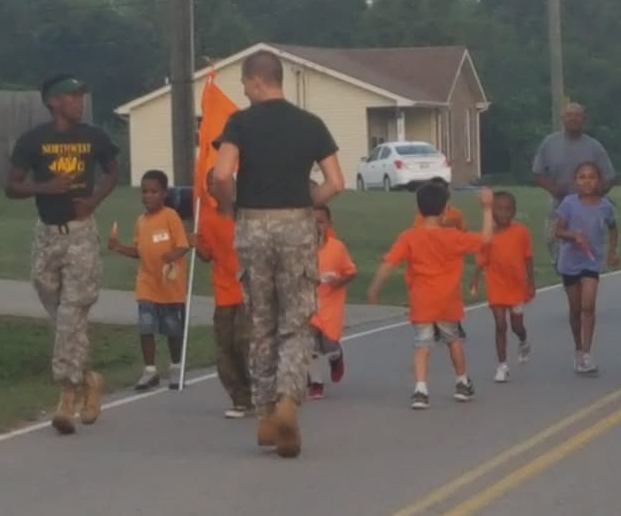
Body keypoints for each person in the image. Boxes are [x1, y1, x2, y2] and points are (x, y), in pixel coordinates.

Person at [212, 50, 345, 459]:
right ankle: (289, 398)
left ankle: (267, 413)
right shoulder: (311, 124)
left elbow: (221, 173)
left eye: (243, 82)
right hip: (296, 224)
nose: (243, 90)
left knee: (261, 321)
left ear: (257, 80)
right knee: (295, 320)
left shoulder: (239, 123)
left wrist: (230, 206)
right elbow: (336, 182)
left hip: (253, 224)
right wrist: (309, 202)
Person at [4, 73, 119, 435]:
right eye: (72, 96)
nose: (79, 101)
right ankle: (88, 378)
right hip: (46, 235)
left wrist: (93, 201)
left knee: (71, 314)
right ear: (53, 102)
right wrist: (45, 187)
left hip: (81, 234)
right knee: (61, 316)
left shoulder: (94, 137)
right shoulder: (33, 140)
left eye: (81, 95)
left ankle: (67, 398)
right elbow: (11, 186)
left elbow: (112, 172)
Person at [367, 183, 494, 410]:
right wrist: (486, 208)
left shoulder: (409, 237)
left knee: (422, 344)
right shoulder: (453, 236)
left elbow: (389, 263)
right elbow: (485, 239)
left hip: (422, 300)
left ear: (418, 208)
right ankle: (462, 382)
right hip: (447, 300)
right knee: (453, 340)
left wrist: (375, 288)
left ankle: (421, 389)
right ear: (446, 209)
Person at [108, 170, 191, 391]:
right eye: (145, 192)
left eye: (154, 192)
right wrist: (119, 247)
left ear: (164, 194)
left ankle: (176, 366)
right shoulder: (141, 221)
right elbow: (139, 251)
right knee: (146, 326)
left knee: (173, 329)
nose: (148, 196)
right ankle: (150, 370)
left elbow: (183, 245)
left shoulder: (170, 216)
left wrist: (172, 255)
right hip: (147, 283)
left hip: (170, 284)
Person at [195, 167, 253, 419]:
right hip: (224, 291)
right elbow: (206, 255)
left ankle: (263, 391)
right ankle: (240, 398)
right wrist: (195, 243)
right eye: (211, 183)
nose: (214, 187)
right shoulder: (207, 218)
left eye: (219, 181)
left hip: (249, 288)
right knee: (226, 347)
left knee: (246, 342)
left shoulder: (247, 215)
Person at [554, 162, 619, 375]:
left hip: (591, 262)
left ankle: (587, 354)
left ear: (599, 181)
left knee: (588, 306)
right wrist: (573, 235)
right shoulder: (569, 203)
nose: (587, 181)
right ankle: (578, 348)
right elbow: (558, 231)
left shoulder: (605, 206)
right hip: (570, 262)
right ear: (576, 181)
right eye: (582, 177)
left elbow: (613, 228)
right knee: (575, 309)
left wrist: (612, 251)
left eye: (591, 176)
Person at [532, 103, 616, 268]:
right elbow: (538, 173)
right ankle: (562, 270)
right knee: (553, 241)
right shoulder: (550, 143)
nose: (573, 119)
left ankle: (586, 272)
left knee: (584, 244)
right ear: (562, 119)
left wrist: (596, 194)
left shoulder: (594, 147)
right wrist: (553, 188)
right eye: (569, 115)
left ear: (584, 119)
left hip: (587, 206)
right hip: (560, 203)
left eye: (577, 115)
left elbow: (610, 177)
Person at [469, 191, 536, 383]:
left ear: (513, 212)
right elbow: (481, 260)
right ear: (491, 211)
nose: (503, 213)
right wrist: (475, 279)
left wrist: (531, 282)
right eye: (499, 209)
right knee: (500, 324)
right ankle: (502, 366)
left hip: (517, 286)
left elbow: (528, 258)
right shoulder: (488, 235)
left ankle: (523, 340)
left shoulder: (521, 232)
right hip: (496, 285)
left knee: (516, 326)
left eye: (508, 209)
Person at [308, 204, 357, 399]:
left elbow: (350, 272)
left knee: (329, 344)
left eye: (320, 222)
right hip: (307, 304)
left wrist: (338, 281)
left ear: (329, 224)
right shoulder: (299, 250)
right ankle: (316, 382)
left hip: (330, 303)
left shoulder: (337, 248)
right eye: (311, 222)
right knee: (308, 343)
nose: (316, 226)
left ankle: (336, 357)